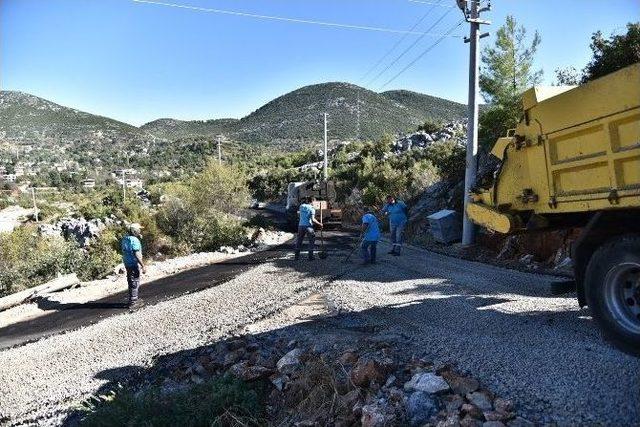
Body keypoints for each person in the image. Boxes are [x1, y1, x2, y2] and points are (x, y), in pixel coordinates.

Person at [121, 223, 146, 308]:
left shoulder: (125, 239)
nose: (140, 231)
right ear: (135, 230)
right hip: (133, 263)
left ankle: (133, 299)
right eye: (139, 229)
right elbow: (136, 253)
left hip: (127, 263)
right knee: (135, 281)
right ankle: (133, 302)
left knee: (131, 281)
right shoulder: (134, 240)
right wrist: (143, 265)